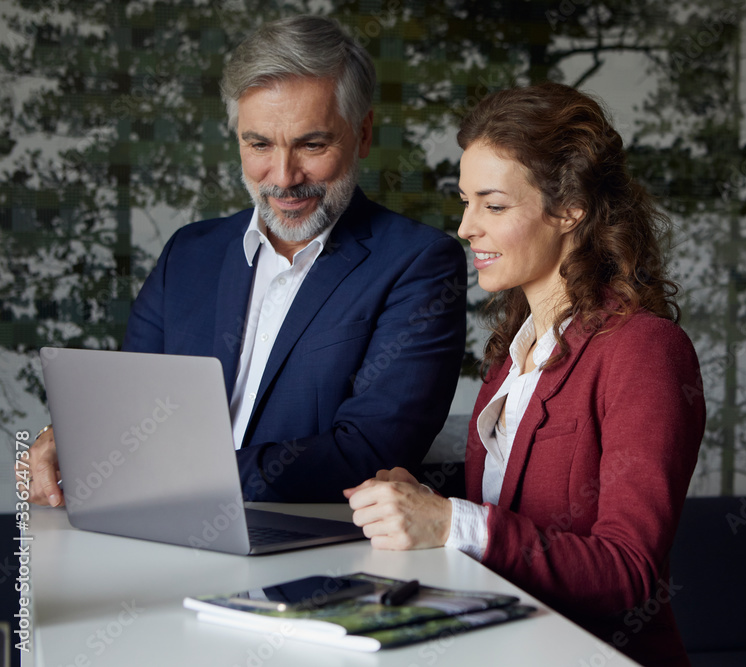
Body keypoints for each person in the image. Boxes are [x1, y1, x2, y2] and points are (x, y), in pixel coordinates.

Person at [26, 15, 467, 506]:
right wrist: (73, 438)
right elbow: (133, 413)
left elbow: (370, 453)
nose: (283, 176)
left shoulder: (418, 263)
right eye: (259, 144)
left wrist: (166, 471)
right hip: (153, 529)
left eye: (312, 144)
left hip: (313, 551)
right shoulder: (187, 255)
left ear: (362, 135)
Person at [345, 82, 706, 665]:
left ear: (569, 208)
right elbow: (510, 519)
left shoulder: (645, 351)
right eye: (465, 202)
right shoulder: (512, 356)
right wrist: (422, 502)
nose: (466, 227)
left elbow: (628, 571)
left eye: (493, 205)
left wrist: (450, 521)